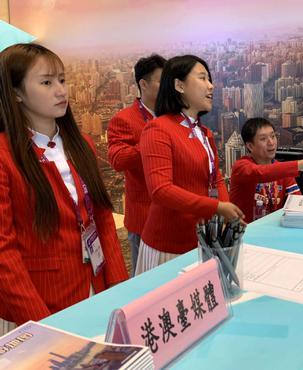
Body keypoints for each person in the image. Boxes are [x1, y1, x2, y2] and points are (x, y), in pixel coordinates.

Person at [0, 43, 128, 333]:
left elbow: (103, 220)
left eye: (62, 80)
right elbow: (3, 251)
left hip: (93, 288)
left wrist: (119, 291)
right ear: (16, 92)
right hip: (38, 304)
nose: (61, 90)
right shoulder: (5, 155)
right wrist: (41, 323)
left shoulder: (80, 143)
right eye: (46, 82)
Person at [136, 55, 244, 274]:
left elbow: (216, 179)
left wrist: (228, 214)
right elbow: (161, 190)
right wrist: (217, 207)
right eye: (202, 78)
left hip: (202, 240)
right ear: (179, 85)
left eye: (209, 79)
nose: (211, 85)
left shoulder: (203, 132)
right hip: (169, 245)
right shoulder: (158, 129)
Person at [108, 54, 166, 275]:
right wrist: (152, 143)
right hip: (145, 217)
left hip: (178, 216)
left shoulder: (173, 115)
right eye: (163, 80)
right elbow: (118, 159)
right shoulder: (124, 119)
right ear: (143, 84)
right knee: (146, 284)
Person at [230, 118, 303, 222]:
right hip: (244, 233)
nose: (271, 142)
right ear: (250, 146)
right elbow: (261, 173)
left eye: (273, 136)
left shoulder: (282, 170)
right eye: (263, 139)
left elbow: (297, 203)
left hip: (272, 232)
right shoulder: (241, 167)